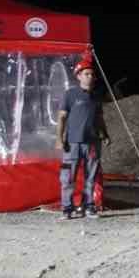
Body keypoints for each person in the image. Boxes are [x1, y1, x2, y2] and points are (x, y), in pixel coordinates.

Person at [57, 56, 108, 220]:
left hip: (92, 143)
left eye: (92, 74)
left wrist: (105, 134)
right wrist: (59, 138)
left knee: (91, 177)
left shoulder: (97, 96)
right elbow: (62, 118)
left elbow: (99, 118)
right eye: (86, 74)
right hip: (72, 143)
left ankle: (89, 207)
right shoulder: (70, 94)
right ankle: (67, 208)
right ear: (78, 76)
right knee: (68, 178)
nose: (90, 77)